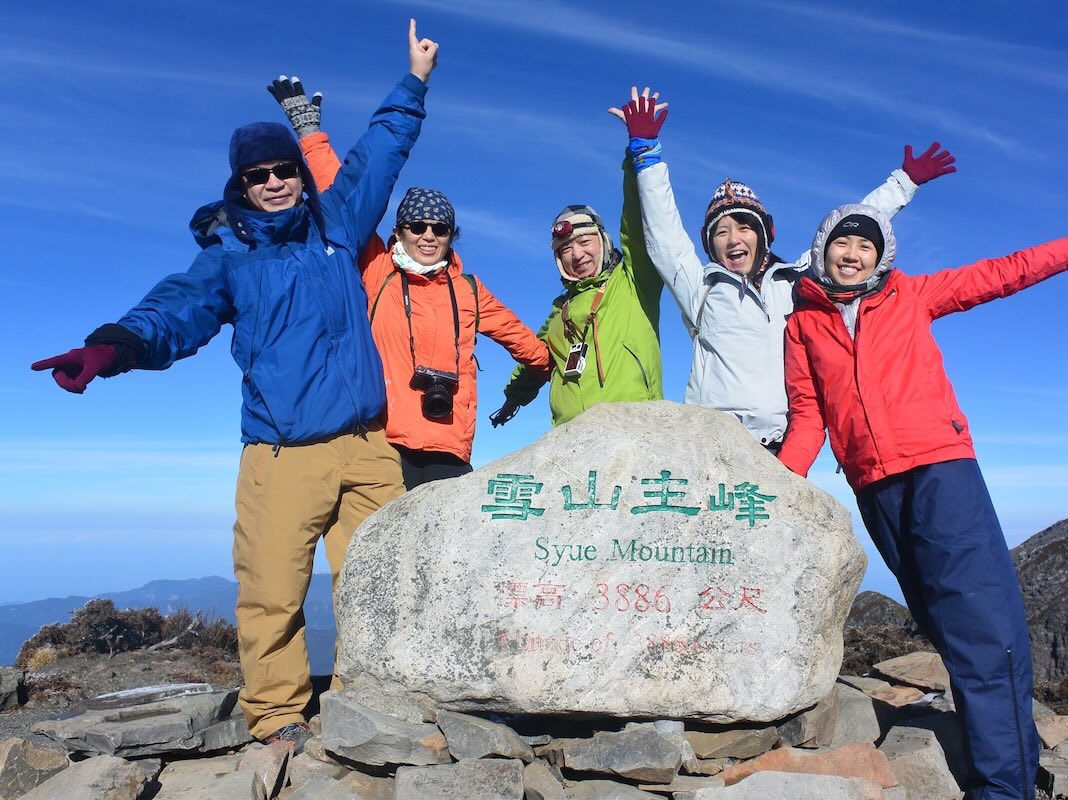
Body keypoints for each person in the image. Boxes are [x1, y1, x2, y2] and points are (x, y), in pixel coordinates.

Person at [30, 20, 440, 747]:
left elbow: (381, 151)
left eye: (284, 170)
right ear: (240, 186)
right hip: (282, 455)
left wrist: (413, 82)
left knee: (381, 587)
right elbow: (176, 310)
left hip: (370, 447)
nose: (276, 182)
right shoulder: (229, 258)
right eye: (259, 176)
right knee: (273, 593)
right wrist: (111, 348)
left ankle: (364, 698)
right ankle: (279, 716)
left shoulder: (337, 224)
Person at [777, 202, 1068, 799]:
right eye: (844, 243)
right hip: (874, 485)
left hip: (941, 471)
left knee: (982, 623)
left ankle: (1006, 788)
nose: (853, 254)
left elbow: (1001, 273)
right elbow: (806, 417)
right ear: (823, 251)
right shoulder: (801, 326)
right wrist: (777, 488)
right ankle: (995, 762)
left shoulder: (912, 295)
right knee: (941, 623)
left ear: (882, 257)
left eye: (866, 246)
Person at [611, 87, 955, 450]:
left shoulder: (797, 281)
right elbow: (664, 235)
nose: (732, 239)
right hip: (707, 445)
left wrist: (903, 183)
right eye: (721, 232)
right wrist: (647, 156)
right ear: (708, 243)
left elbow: (846, 229)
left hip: (780, 446)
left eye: (744, 227)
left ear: (764, 235)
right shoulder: (700, 286)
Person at [268, 79, 551, 488]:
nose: (428, 235)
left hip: (448, 448)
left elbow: (528, 346)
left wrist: (560, 374)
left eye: (440, 228)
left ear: (452, 236)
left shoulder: (469, 290)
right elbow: (343, 194)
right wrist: (310, 134)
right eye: (417, 226)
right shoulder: (378, 270)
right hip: (383, 443)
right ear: (399, 232)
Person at [490, 133, 663, 427]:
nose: (576, 254)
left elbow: (636, 225)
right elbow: (535, 362)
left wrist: (637, 161)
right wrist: (512, 399)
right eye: (565, 249)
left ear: (604, 242)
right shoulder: (560, 313)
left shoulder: (634, 282)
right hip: (569, 439)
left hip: (635, 431)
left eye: (585, 241)